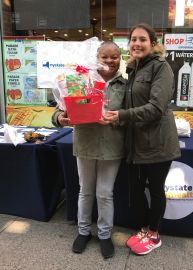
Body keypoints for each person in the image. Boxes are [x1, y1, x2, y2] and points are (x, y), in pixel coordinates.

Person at [103, 23, 181, 255]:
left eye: (142, 39)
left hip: (157, 142)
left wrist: (121, 116)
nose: (137, 43)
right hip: (135, 143)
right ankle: (145, 229)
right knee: (136, 192)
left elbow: (156, 108)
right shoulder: (132, 68)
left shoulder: (161, 67)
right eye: (133, 39)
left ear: (153, 44)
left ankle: (154, 234)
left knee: (156, 190)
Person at [52, 41, 126, 259]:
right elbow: (60, 108)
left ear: (120, 58)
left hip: (112, 146)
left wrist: (116, 119)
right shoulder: (82, 79)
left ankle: (104, 235)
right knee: (85, 190)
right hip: (85, 143)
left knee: (105, 193)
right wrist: (61, 118)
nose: (110, 61)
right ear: (97, 58)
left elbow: (131, 115)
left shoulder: (124, 84)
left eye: (115, 57)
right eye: (105, 57)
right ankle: (83, 232)